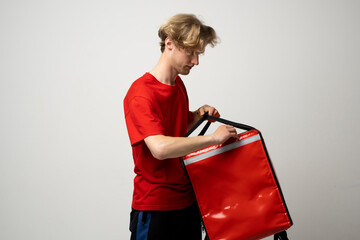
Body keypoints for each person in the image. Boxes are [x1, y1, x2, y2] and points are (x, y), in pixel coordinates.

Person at [123, 13, 238, 240]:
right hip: (155, 207)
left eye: (199, 54)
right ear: (170, 44)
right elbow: (160, 148)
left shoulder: (178, 85)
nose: (196, 61)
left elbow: (173, 133)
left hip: (187, 203)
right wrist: (213, 138)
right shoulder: (140, 93)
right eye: (191, 52)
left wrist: (195, 117)